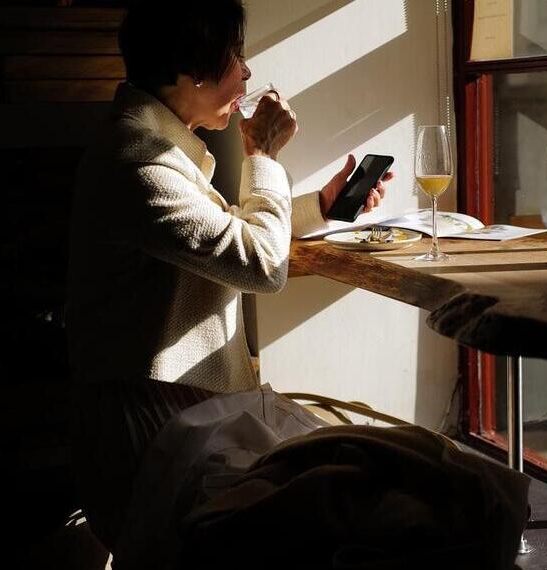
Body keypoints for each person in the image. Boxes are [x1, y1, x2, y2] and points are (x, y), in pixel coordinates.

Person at [64, 0, 391, 553]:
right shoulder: (137, 160)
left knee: (349, 483)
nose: (246, 71)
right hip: (155, 435)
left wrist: (324, 206)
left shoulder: (152, 144)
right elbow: (260, 265)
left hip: (191, 411)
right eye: (234, 56)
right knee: (351, 500)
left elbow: (220, 237)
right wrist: (262, 154)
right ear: (191, 71)